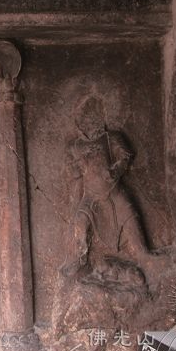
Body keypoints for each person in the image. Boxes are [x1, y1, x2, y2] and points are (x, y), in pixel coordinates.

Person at [65, 96, 148, 287]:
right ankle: (80, 259)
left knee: (139, 244)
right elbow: (75, 177)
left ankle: (144, 257)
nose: (90, 121)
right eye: (85, 117)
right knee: (80, 222)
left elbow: (126, 156)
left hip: (115, 192)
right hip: (91, 197)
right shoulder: (75, 146)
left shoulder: (112, 138)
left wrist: (114, 171)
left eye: (93, 115)